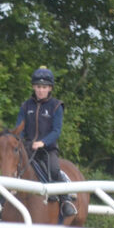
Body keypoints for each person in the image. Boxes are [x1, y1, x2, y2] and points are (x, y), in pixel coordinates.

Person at [15, 67, 77, 218]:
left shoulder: (56, 106)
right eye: (38, 87)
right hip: (28, 147)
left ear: (50, 88)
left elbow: (56, 131)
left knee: (54, 169)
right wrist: (20, 140)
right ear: (33, 87)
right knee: (12, 170)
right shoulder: (25, 106)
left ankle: (66, 200)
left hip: (47, 149)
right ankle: (3, 203)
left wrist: (43, 142)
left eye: (44, 87)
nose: (40, 90)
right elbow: (19, 128)